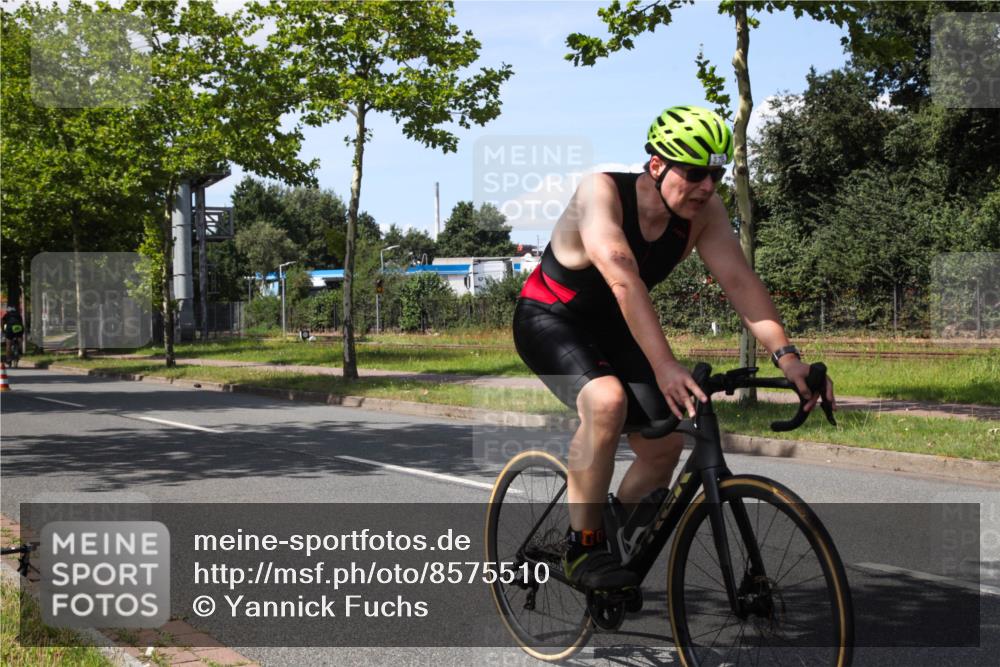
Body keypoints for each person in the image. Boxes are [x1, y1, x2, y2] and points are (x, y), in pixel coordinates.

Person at [512, 105, 836, 590]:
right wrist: (664, 364)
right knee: (606, 402)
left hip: (616, 325)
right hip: (551, 317)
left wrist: (788, 358)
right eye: (695, 174)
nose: (707, 186)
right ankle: (583, 546)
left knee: (664, 445)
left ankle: (610, 543)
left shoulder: (704, 213)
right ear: (658, 164)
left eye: (716, 175)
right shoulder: (601, 192)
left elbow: (739, 281)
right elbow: (621, 273)